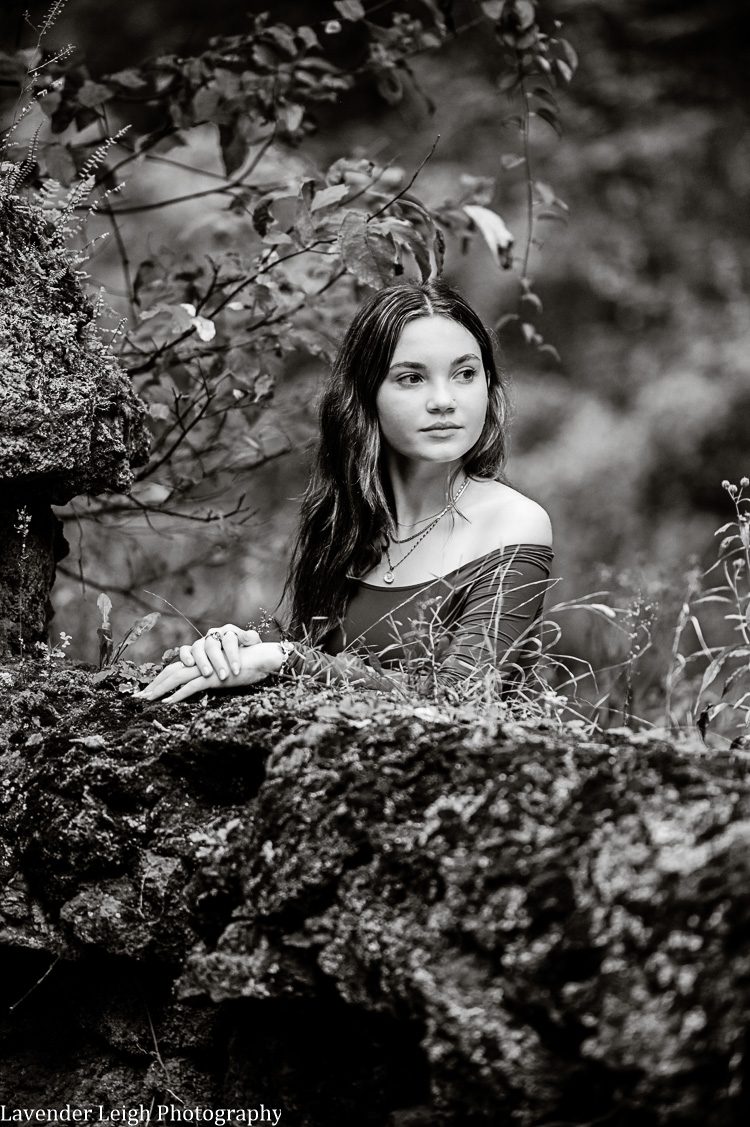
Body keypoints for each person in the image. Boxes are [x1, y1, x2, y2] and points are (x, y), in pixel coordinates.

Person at [133, 279, 555, 705]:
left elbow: (459, 697)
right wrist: (238, 649)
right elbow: (319, 669)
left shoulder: (513, 524)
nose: (444, 400)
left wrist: (283, 658)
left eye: (465, 373)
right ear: (365, 396)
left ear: (488, 385)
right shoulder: (348, 520)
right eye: (412, 378)